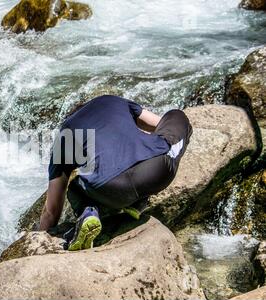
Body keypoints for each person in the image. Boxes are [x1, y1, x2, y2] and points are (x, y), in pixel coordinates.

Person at [39, 95, 192, 251]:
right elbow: (157, 124)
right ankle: (137, 202)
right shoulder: (110, 100)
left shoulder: (64, 135)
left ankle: (88, 212)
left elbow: (51, 210)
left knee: (75, 189)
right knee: (177, 116)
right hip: (155, 171)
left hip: (109, 188)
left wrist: (40, 240)